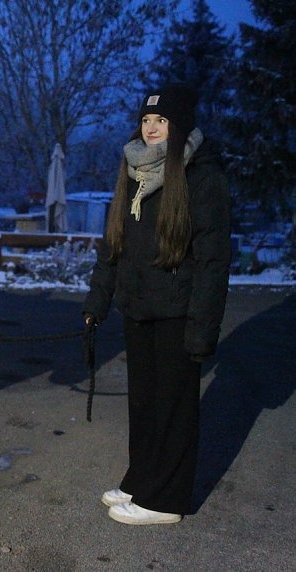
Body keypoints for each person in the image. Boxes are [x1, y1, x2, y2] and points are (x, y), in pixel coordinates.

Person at [82, 83, 232, 525]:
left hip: (178, 312)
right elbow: (113, 246)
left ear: (178, 125)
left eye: (161, 121)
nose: (151, 128)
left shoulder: (202, 176)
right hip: (139, 307)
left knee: (174, 406)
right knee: (144, 403)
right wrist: (97, 302)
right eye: (146, 120)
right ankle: (142, 479)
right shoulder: (133, 169)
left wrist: (202, 330)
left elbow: (213, 259)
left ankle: (165, 501)